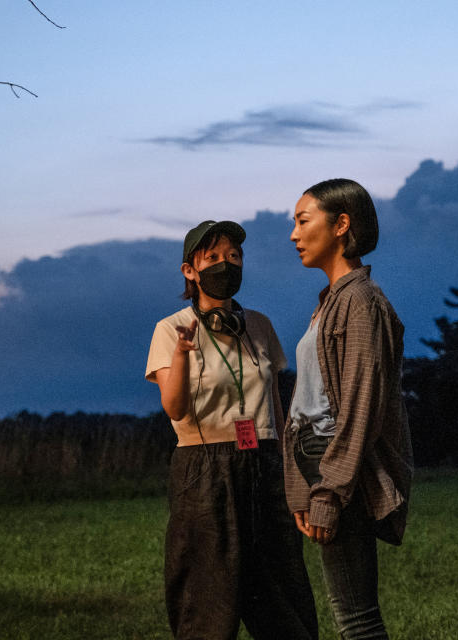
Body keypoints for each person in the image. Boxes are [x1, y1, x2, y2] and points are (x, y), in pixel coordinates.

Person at [146, 220, 318, 640]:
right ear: (190, 270)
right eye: (214, 258)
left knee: (283, 592)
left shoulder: (258, 325)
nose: (226, 264)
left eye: (234, 256)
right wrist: (183, 355)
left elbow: (275, 403)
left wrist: (288, 467)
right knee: (206, 598)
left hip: (263, 461)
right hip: (204, 468)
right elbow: (174, 407)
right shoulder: (171, 329)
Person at [284, 179, 413, 639]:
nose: (294, 235)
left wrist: (330, 492)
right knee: (348, 611)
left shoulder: (360, 302)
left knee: (356, 617)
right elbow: (306, 404)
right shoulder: (329, 303)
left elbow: (360, 408)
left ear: (341, 225)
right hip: (322, 465)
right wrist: (305, 488)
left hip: (343, 470)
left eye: (303, 221)